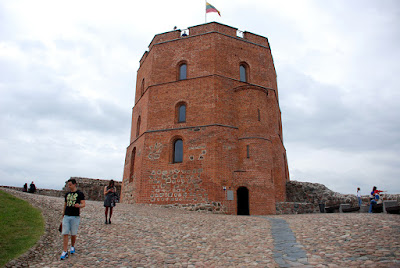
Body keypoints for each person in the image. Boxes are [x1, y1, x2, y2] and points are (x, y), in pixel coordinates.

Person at [60, 178, 85, 260]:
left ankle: (72, 246)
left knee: (73, 234)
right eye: (68, 185)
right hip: (67, 215)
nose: (69, 186)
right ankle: (64, 251)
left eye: (70, 184)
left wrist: (79, 206)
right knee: (65, 233)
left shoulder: (80, 194)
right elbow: (65, 204)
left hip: (75, 216)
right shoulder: (67, 194)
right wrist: (63, 214)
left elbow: (83, 204)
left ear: (74, 184)